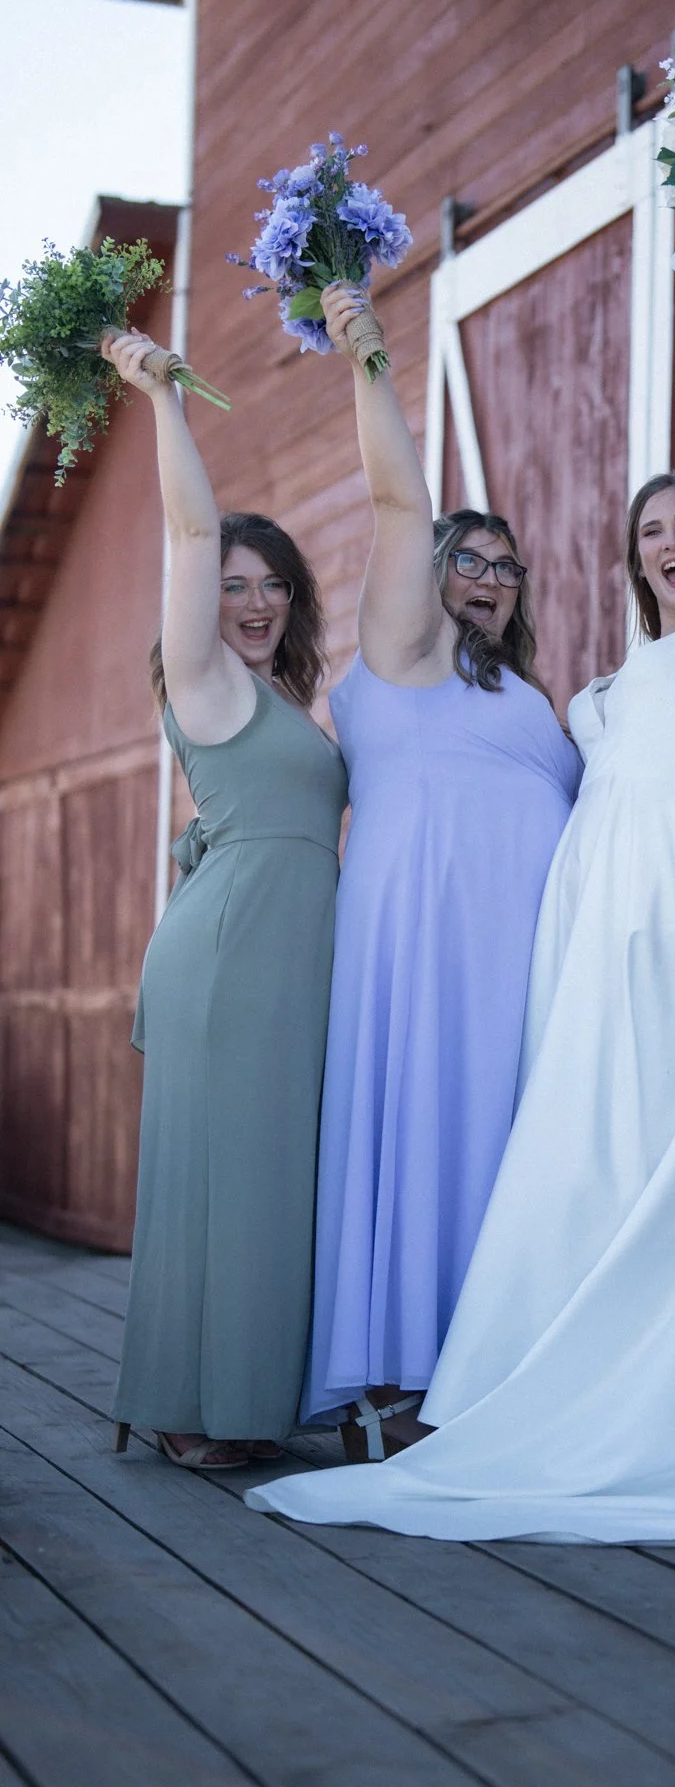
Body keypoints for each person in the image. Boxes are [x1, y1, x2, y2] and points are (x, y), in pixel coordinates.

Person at [247, 255, 675, 1542]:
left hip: (674, 907)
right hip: (582, 928)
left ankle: (672, 1374)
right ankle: (535, 1365)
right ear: (632, 560)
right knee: (577, 1152)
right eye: (654, 532)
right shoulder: (602, 686)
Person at [301, 283, 580, 1459]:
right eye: (468, 558)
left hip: (515, 967)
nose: (490, 576)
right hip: (417, 951)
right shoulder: (401, 652)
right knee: (416, 1132)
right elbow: (395, 496)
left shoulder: (526, 698)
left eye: (507, 567)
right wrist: (368, 352)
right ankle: (395, 1377)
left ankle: (494, 1364)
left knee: (503, 1147)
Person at [106, 330, 347, 1471]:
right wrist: (161, 396)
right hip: (232, 955)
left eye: (272, 586)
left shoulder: (291, 696)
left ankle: (244, 1395)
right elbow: (191, 529)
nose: (251, 602)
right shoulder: (202, 679)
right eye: (233, 586)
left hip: (287, 959)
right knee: (219, 1177)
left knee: (264, 1177)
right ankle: (186, 1402)